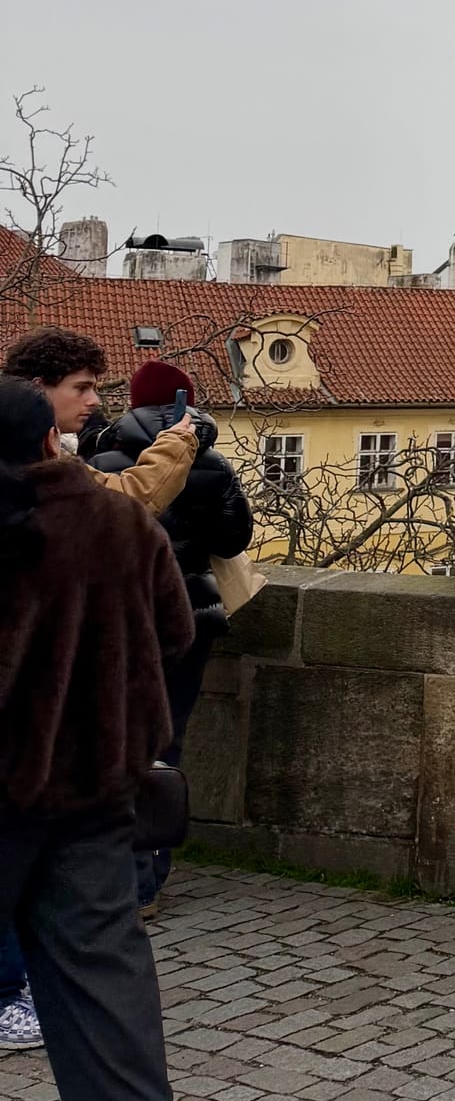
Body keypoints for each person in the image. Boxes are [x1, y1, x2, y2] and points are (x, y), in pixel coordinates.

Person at [0, 375, 193, 1101]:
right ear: (49, 438)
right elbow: (176, 631)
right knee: (106, 983)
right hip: (96, 787)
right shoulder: (120, 519)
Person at [91, 358, 252, 906]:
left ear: (133, 402)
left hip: (120, 618)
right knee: (166, 740)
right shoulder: (213, 463)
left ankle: (120, 874)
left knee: (116, 742)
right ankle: (150, 878)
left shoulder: (102, 460)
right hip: (190, 617)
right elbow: (232, 541)